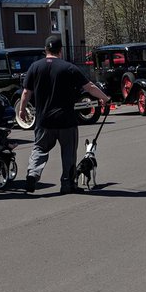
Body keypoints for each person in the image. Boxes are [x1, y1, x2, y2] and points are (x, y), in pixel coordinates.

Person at [19, 33, 110, 194]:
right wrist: (104, 98)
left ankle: (32, 174)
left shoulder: (35, 67)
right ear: (60, 50)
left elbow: (26, 92)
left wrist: (21, 109)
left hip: (43, 119)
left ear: (45, 50)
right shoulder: (68, 67)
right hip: (66, 120)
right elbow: (89, 86)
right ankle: (68, 184)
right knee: (68, 152)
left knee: (39, 148)